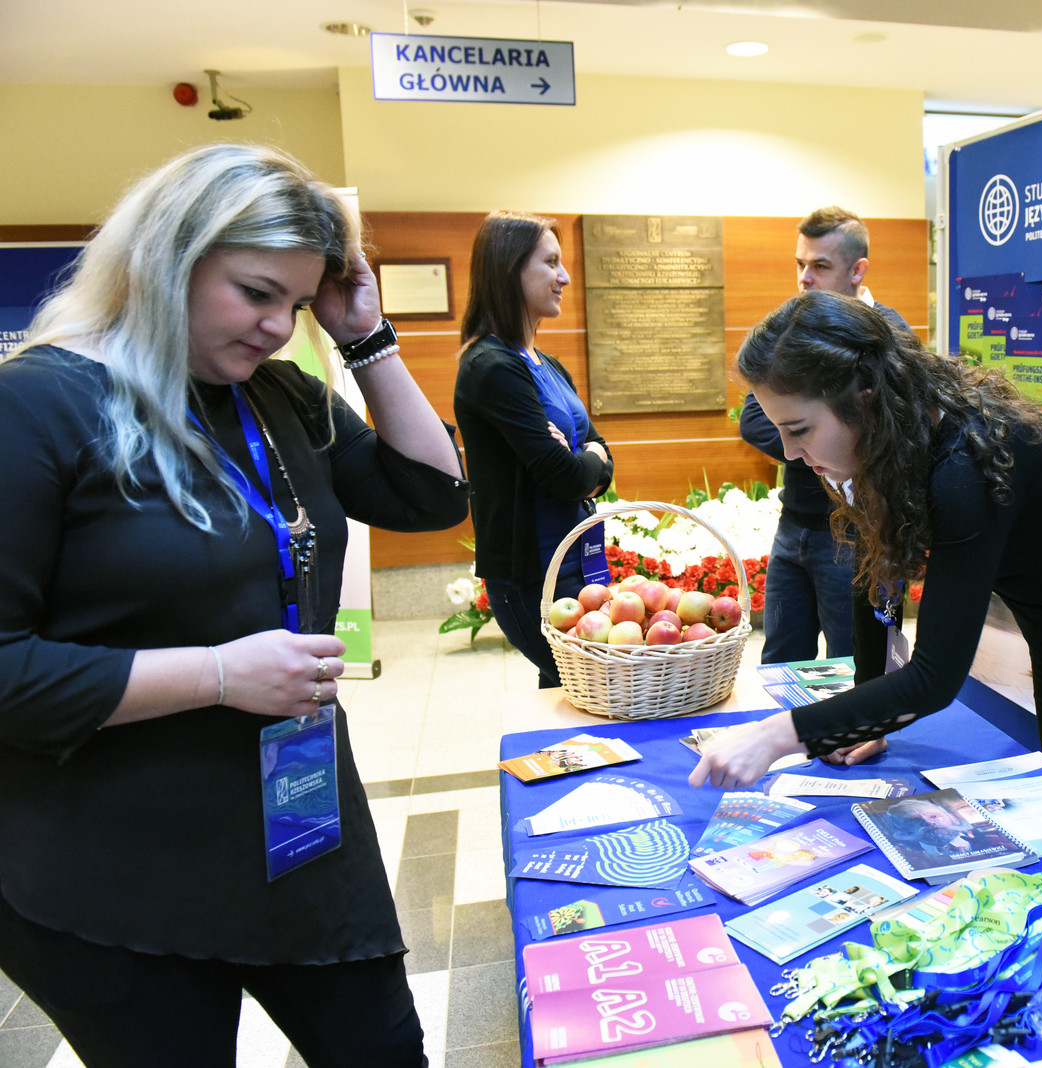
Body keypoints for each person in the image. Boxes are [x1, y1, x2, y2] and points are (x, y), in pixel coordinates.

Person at [0, 144, 468, 1064]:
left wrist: (365, 339)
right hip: (115, 864)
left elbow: (432, 495)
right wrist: (216, 675)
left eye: (297, 303)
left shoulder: (275, 394)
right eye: (256, 293)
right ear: (166, 258)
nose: (277, 327)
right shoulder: (36, 408)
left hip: (296, 820)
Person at [689, 291, 1042, 791]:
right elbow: (875, 574)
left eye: (800, 429)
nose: (788, 451)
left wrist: (777, 735)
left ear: (863, 396)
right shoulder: (893, 440)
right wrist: (863, 718)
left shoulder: (964, 465)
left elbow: (934, 677)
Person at [738, 207, 911, 665]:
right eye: (799, 264)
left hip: (857, 534)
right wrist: (817, 437)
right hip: (794, 524)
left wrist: (825, 441)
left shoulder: (888, 335)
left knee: (855, 661)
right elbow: (752, 420)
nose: (804, 278)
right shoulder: (794, 328)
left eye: (819, 265)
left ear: (858, 270)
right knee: (778, 660)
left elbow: (892, 436)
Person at [454, 212, 614, 687]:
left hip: (579, 561)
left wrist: (586, 459)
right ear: (510, 270)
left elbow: (600, 457)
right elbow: (564, 475)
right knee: (579, 685)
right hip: (534, 572)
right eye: (550, 262)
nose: (564, 277)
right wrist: (584, 461)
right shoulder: (493, 367)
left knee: (575, 694)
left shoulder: (549, 365)